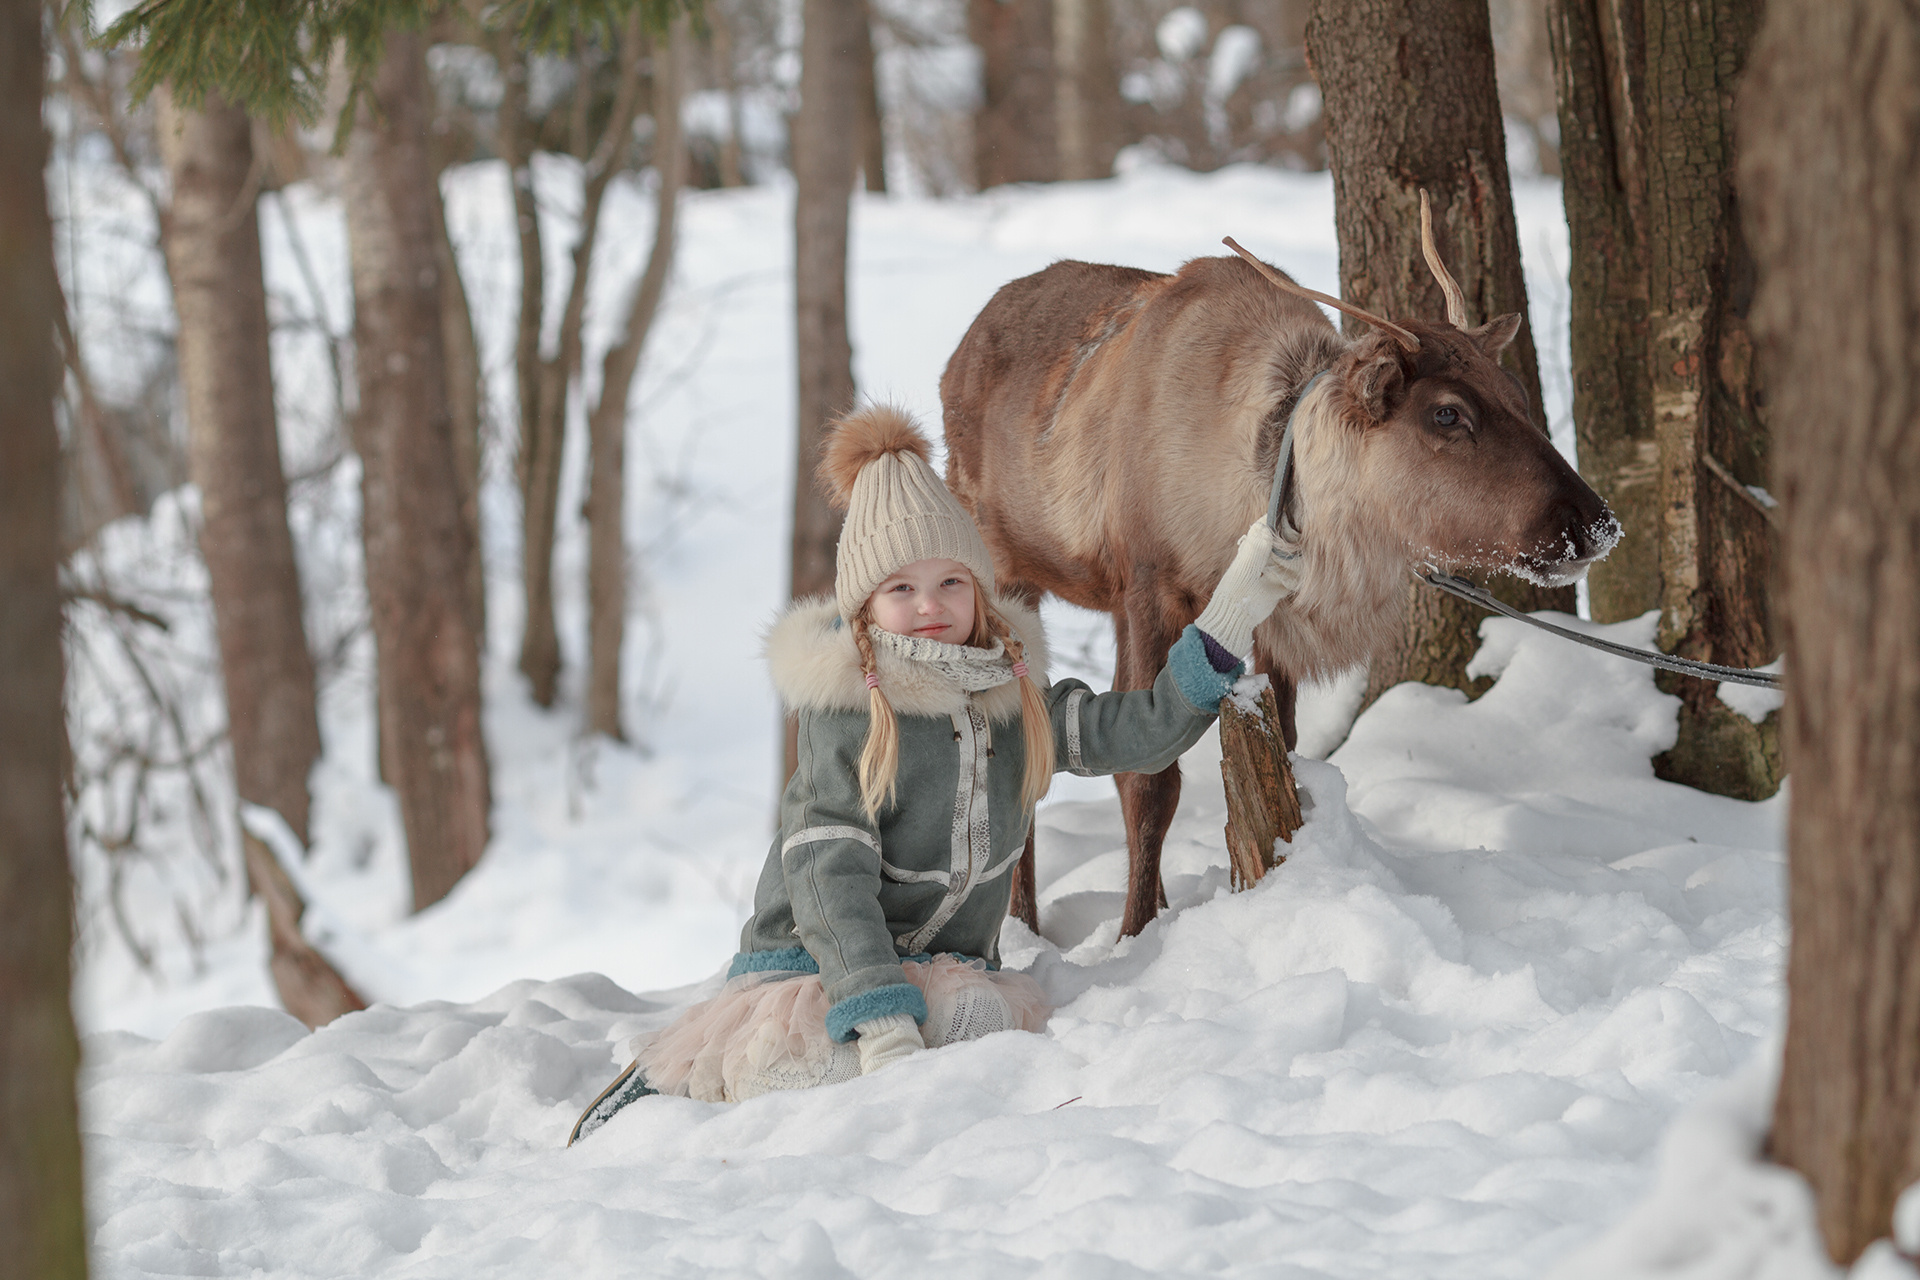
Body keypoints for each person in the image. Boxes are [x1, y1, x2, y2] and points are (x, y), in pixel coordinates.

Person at [569, 404, 1300, 1143]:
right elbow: (828, 875)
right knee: (819, 1069)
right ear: (864, 610)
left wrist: (1233, 611)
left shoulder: (1012, 698)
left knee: (975, 1030)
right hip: (817, 966)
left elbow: (1138, 734)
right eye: (901, 589)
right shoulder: (849, 712)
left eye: (951, 581)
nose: (929, 606)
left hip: (943, 968)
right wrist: (880, 1015)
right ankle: (686, 1080)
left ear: (980, 590)